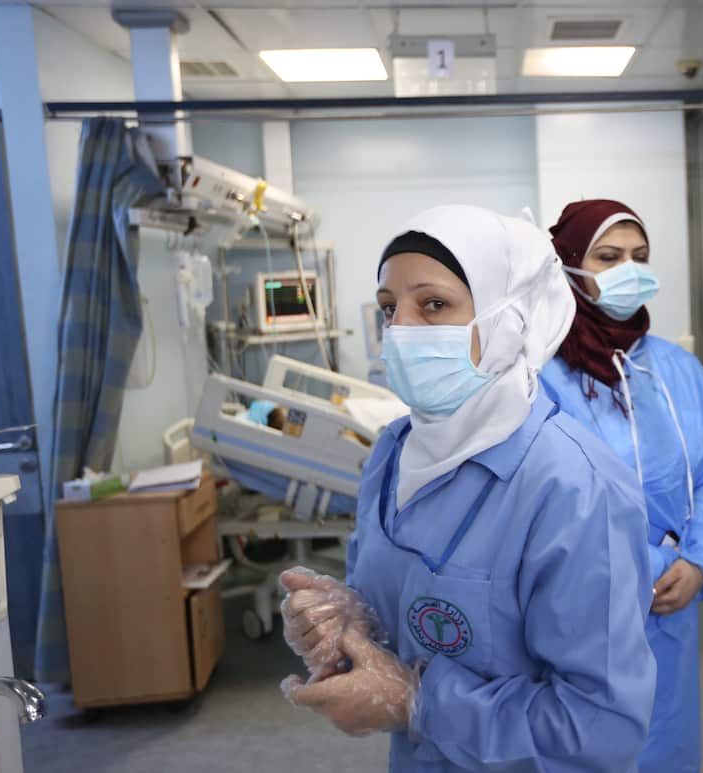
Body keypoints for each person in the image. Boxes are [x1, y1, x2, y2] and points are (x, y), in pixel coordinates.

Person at [278, 204, 657, 771]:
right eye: (389, 308)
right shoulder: (394, 452)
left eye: (433, 305)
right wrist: (352, 621)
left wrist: (415, 701)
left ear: (510, 319)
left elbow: (600, 726)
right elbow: (404, 612)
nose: (401, 329)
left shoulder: (577, 490)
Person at [539, 199, 703, 773]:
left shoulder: (676, 368)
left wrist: (700, 561)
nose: (629, 269)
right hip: (578, 606)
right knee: (578, 744)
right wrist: (641, 565)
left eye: (640, 257)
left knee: (664, 735)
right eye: (608, 256)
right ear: (568, 265)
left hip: (672, 601)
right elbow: (541, 499)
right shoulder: (539, 376)